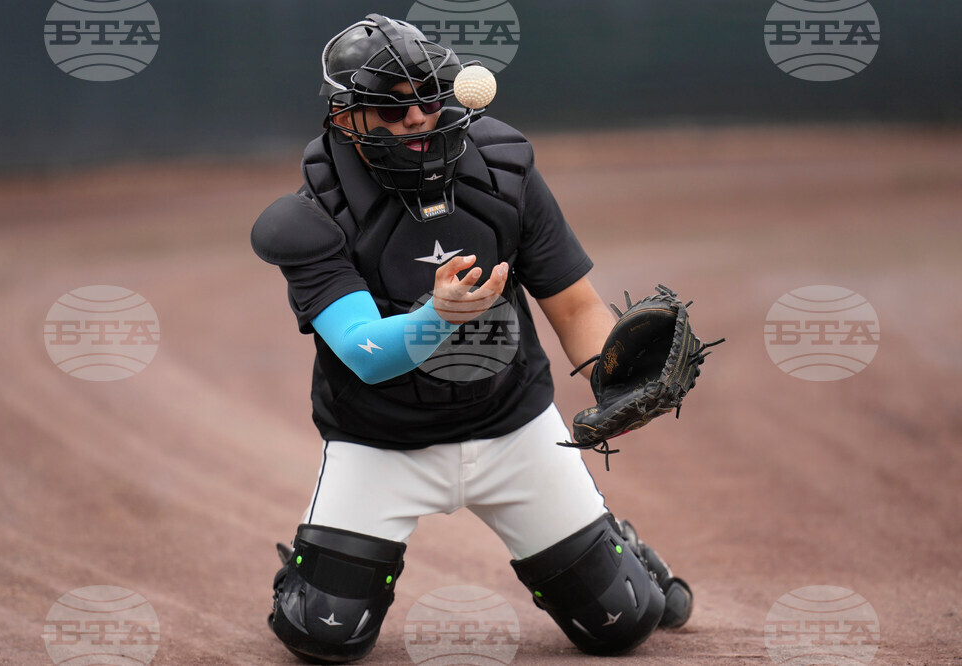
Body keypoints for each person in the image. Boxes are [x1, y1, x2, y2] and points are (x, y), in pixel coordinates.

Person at [251, 14, 692, 663]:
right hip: (382, 442)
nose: (418, 120)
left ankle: (617, 547)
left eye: (429, 100)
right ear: (346, 118)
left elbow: (573, 306)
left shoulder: (504, 170)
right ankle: (314, 569)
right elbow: (364, 353)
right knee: (323, 632)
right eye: (392, 110)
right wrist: (438, 317)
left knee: (622, 623)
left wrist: (615, 378)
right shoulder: (315, 213)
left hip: (513, 427)